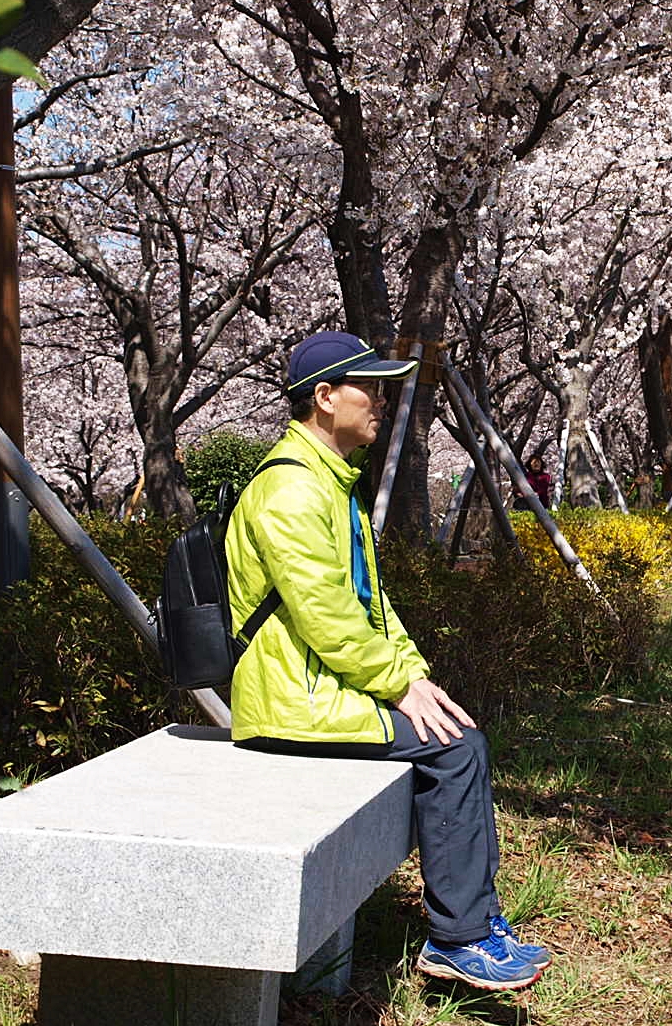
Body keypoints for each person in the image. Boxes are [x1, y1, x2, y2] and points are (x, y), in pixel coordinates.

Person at [224, 331, 552, 992]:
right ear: (324, 397)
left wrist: (414, 675)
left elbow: (372, 607)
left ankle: (475, 923)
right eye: (368, 387)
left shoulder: (327, 481)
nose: (380, 400)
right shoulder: (291, 490)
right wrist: (398, 685)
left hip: (318, 687)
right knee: (456, 750)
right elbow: (327, 618)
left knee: (455, 733)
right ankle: (459, 938)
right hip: (294, 701)